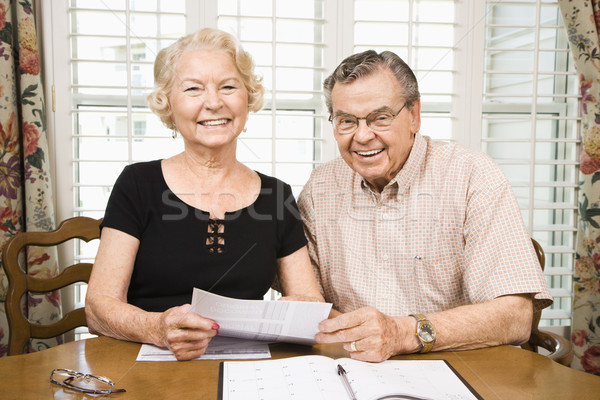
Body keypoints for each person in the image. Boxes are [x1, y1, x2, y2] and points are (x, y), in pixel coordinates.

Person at [298, 50, 553, 362]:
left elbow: (516, 318)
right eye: (347, 121)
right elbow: (306, 303)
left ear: (414, 115)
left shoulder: (473, 175)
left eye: (380, 117)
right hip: (350, 368)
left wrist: (403, 333)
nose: (362, 136)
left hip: (461, 369)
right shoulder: (319, 187)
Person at [85, 28, 324, 361]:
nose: (214, 103)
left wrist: (299, 313)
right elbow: (98, 308)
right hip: (146, 366)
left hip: (250, 370)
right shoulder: (137, 184)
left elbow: (308, 301)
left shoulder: (277, 195)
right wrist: (157, 327)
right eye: (193, 89)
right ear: (168, 103)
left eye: (228, 86)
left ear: (248, 96)